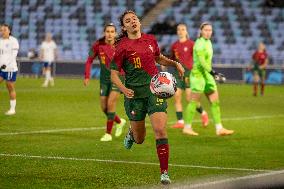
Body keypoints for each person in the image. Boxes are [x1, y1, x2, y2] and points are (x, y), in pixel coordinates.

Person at [110, 10, 184, 185]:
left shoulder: (150, 39)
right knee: (140, 139)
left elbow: (158, 58)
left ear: (139, 22)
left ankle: (164, 172)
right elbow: (113, 74)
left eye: (134, 18)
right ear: (124, 27)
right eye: (128, 21)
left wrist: (175, 63)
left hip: (154, 90)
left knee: (160, 130)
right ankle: (132, 132)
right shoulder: (122, 47)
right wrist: (123, 89)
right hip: (134, 95)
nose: (133, 21)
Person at [183, 22, 234, 136]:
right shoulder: (199, 43)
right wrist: (213, 72)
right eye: (206, 30)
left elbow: (207, 62)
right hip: (198, 75)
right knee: (194, 101)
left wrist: (211, 73)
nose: (208, 32)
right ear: (201, 31)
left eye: (210, 30)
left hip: (207, 75)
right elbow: (201, 62)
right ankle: (187, 127)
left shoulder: (209, 42)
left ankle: (219, 128)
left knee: (215, 101)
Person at [84, 23, 126, 142]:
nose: (110, 34)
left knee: (111, 103)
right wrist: (87, 76)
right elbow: (89, 60)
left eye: (112, 31)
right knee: (104, 107)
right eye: (107, 31)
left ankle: (108, 134)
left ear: (115, 33)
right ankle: (119, 121)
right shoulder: (98, 44)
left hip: (118, 78)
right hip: (104, 80)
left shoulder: (120, 45)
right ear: (104, 33)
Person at [170, 23, 209, 132]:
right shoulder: (174, 45)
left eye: (183, 29)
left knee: (189, 98)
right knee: (177, 96)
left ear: (186, 31)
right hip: (178, 73)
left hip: (189, 73)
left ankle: (203, 113)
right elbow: (172, 59)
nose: (181, 31)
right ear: (177, 31)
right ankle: (180, 121)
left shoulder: (192, 44)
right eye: (179, 29)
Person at [0, 24, 19, 115]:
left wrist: (5, 65)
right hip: (1, 68)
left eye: (4, 30)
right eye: (1, 30)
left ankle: (12, 109)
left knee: (10, 87)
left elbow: (13, 56)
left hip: (10, 68)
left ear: (9, 31)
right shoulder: (0, 41)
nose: (2, 32)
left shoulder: (13, 41)